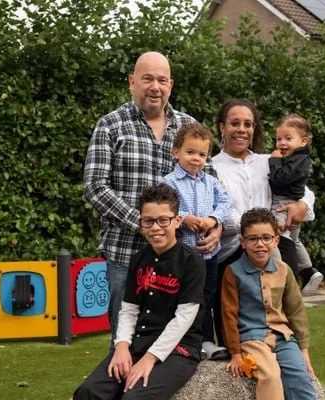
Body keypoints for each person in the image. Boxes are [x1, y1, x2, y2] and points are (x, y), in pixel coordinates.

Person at [83, 51, 221, 346]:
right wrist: (145, 224)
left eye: (161, 80)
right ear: (132, 81)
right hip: (126, 254)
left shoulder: (189, 127)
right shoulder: (111, 125)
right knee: (125, 340)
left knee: (180, 338)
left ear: (171, 84)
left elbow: (211, 184)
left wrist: (216, 225)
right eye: (147, 79)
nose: (155, 87)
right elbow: (95, 186)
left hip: (181, 257)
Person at [74, 184, 206, 400]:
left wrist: (149, 358)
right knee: (88, 392)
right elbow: (129, 310)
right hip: (138, 342)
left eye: (163, 220)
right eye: (148, 221)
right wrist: (121, 347)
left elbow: (184, 318)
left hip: (178, 348)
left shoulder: (192, 261)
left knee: (133, 398)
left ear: (177, 221)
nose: (156, 227)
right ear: (141, 223)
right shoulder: (138, 259)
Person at [211, 98, 320, 347]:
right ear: (222, 127)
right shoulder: (212, 167)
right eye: (235, 123)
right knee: (232, 326)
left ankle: (289, 364)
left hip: (276, 249)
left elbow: (303, 189)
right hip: (231, 253)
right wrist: (252, 231)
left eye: (248, 124)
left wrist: (303, 205)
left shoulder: (267, 161)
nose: (242, 129)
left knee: (282, 320)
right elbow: (217, 210)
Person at [222, 208, 316, 400]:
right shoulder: (233, 272)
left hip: (283, 337)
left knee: (301, 377)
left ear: (276, 240)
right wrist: (235, 353)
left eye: (266, 238)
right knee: (270, 376)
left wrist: (303, 350)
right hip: (251, 338)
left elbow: (296, 311)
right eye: (252, 239)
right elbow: (228, 315)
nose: (260, 244)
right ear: (242, 242)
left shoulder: (284, 270)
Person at [163, 123, 232, 360]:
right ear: (176, 152)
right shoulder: (168, 182)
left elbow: (225, 203)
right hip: (183, 256)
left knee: (206, 297)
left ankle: (206, 341)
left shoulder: (210, 182)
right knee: (185, 299)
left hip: (208, 255)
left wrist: (213, 219)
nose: (196, 159)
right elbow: (165, 208)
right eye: (190, 152)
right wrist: (184, 218)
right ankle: (186, 341)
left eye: (202, 155)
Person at [269, 114, 322, 293]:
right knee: (294, 239)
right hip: (291, 203)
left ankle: (280, 271)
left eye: (288, 138)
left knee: (273, 238)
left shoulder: (296, 160)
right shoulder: (298, 159)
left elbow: (280, 178)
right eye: (279, 139)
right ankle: (308, 271)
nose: (282, 143)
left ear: (303, 141)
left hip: (283, 205)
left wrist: (274, 161)